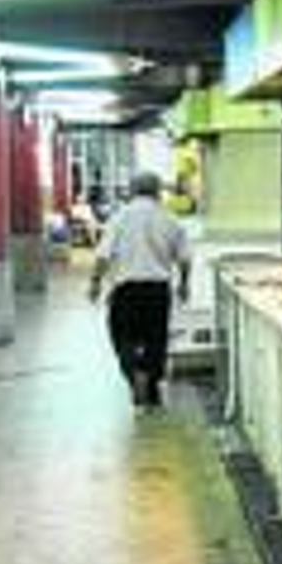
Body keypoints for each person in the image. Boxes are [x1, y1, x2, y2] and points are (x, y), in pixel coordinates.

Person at [88, 171, 191, 408]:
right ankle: (150, 384)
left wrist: (95, 283)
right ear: (157, 192)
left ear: (132, 191)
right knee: (156, 339)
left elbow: (103, 256)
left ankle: (134, 371)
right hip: (158, 290)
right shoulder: (170, 218)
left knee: (123, 337)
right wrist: (184, 284)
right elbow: (185, 258)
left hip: (126, 290)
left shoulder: (120, 217)